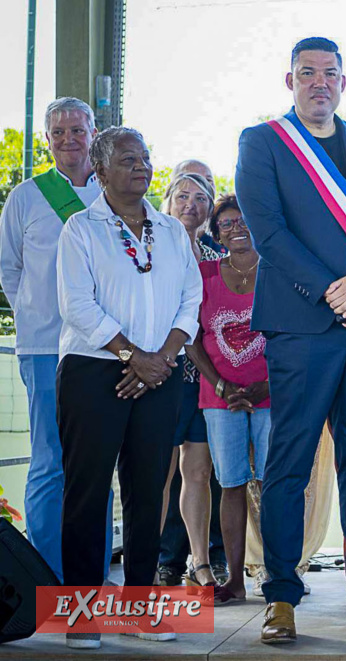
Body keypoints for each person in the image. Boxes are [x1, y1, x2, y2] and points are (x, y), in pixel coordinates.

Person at [235, 36, 346, 643]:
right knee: (289, 467)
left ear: (344, 80)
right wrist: (337, 294)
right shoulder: (264, 143)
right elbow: (269, 234)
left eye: (329, 73)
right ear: (290, 81)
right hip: (302, 329)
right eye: (306, 73)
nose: (319, 82)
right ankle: (281, 596)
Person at [57, 126, 202, 649]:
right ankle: (81, 616)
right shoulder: (81, 229)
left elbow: (191, 297)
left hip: (160, 373)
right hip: (95, 373)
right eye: (126, 159)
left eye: (144, 157)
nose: (141, 166)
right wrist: (133, 356)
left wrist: (160, 359)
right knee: (88, 494)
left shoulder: (169, 231)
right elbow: (77, 304)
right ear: (99, 171)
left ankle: (139, 609)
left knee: (147, 494)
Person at [0, 97, 113, 583]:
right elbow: (9, 267)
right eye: (58, 131)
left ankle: (92, 574)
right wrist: (36, 312)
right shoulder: (25, 196)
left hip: (105, 348)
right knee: (50, 459)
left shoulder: (116, 194)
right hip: (45, 347)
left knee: (97, 461)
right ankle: (46, 578)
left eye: (77, 129)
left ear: (94, 132)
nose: (69, 139)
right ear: (47, 139)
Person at [185, 194, 270, 606]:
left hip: (272, 396)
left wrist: (266, 387)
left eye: (244, 220)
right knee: (231, 483)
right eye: (227, 224)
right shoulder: (203, 274)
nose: (237, 228)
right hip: (219, 398)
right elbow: (190, 336)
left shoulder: (276, 271)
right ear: (216, 233)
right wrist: (220, 386)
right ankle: (235, 580)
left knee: (275, 485)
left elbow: (294, 334)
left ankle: (280, 575)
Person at [157, 170, 224, 592]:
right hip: (161, 373)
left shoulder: (218, 257)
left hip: (202, 380)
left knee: (198, 473)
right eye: (182, 195)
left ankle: (199, 565)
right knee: (157, 476)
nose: (190, 204)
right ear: (167, 201)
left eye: (201, 198)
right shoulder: (150, 246)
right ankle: (145, 567)